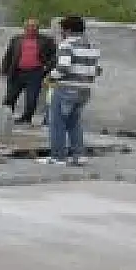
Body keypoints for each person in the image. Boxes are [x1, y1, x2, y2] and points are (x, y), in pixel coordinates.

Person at [44, 15, 101, 166]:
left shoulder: (66, 45)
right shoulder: (92, 45)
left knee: (57, 123)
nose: (61, 32)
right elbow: (97, 70)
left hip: (66, 88)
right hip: (85, 90)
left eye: (62, 29)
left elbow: (63, 67)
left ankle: (58, 156)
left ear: (68, 30)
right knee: (74, 122)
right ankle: (79, 154)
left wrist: (50, 77)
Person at [1, 18, 57, 125]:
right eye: (29, 26)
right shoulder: (16, 39)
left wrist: (47, 68)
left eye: (34, 26)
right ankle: (5, 117)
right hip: (17, 72)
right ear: (25, 28)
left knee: (31, 98)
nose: (31, 28)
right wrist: (4, 69)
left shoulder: (46, 40)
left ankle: (26, 118)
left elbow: (54, 56)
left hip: (35, 73)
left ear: (38, 28)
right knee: (10, 97)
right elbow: (9, 55)